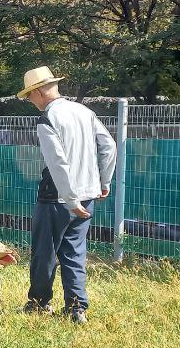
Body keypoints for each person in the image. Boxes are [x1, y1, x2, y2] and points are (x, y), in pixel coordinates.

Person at [18, 66, 116, 324]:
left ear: (38, 92)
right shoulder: (84, 111)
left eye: (29, 96)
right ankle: (77, 309)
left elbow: (58, 163)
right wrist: (104, 181)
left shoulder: (48, 119)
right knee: (75, 253)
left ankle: (39, 303)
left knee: (44, 253)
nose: (30, 101)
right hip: (88, 194)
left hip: (57, 198)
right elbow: (109, 145)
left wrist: (70, 200)